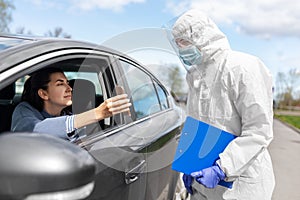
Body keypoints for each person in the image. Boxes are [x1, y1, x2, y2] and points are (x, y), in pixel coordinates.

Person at [169, 9, 275, 199]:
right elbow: (196, 126)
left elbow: (258, 131)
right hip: (202, 184)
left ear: (202, 37)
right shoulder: (195, 76)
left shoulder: (243, 68)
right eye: (177, 44)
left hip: (240, 185)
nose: (181, 49)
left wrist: (222, 168)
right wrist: (188, 166)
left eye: (183, 42)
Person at [11, 67, 131, 140]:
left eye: (67, 83)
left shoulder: (68, 112)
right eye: (60, 84)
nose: (69, 88)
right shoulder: (24, 111)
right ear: (43, 94)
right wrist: (97, 114)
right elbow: (35, 130)